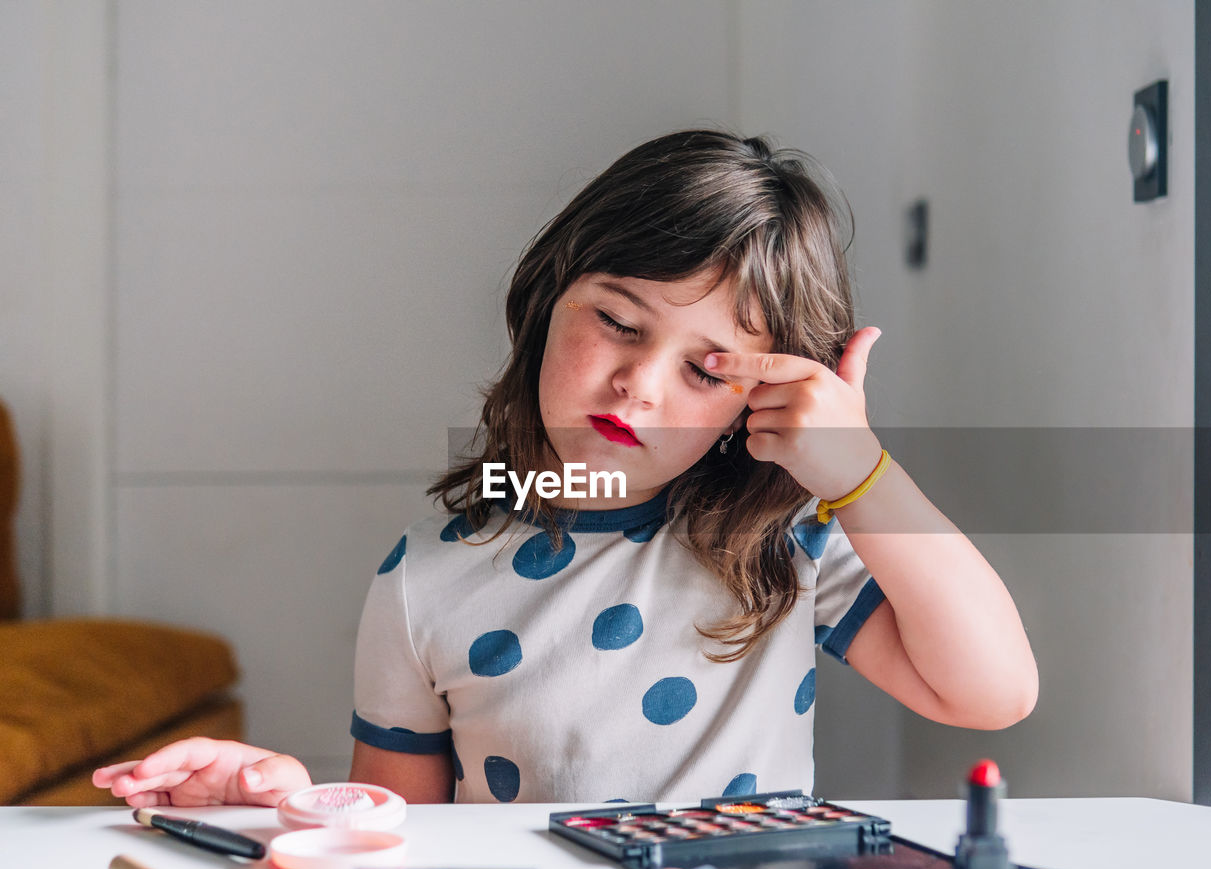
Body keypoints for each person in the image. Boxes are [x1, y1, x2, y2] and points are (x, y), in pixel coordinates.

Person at [93, 129, 1037, 808]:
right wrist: (286, 802)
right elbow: (398, 842)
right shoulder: (423, 580)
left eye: (707, 367)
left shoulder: (781, 544)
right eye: (619, 323)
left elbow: (993, 693)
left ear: (755, 398)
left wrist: (863, 475)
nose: (636, 384)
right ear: (547, 301)